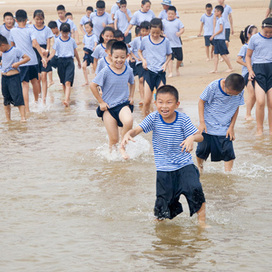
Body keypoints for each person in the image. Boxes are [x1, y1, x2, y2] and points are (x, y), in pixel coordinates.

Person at [121, 85, 207, 227]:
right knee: (163, 204)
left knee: (196, 190)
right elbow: (136, 130)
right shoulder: (154, 118)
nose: (164, 106)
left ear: (177, 104)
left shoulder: (182, 119)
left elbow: (200, 137)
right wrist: (127, 134)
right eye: (160, 102)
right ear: (155, 103)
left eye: (169, 102)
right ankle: (159, 226)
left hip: (185, 165)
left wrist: (191, 138)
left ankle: (202, 224)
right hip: (164, 169)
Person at [90, 41, 135, 159]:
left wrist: (131, 96)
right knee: (113, 139)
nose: (119, 60)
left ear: (127, 56)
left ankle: (123, 146)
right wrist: (101, 102)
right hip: (108, 109)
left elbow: (132, 83)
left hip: (123, 104)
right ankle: (112, 159)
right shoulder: (106, 71)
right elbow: (93, 85)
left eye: (122, 57)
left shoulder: (128, 70)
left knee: (129, 120)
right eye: (116, 57)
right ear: (110, 56)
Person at [196, 73, 245, 172]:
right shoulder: (213, 87)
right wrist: (202, 123)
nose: (231, 95)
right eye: (230, 93)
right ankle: (200, 169)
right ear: (224, 83)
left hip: (225, 128)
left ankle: (228, 174)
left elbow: (236, 107)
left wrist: (231, 127)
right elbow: (201, 101)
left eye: (234, 94)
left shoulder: (239, 91)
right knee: (201, 151)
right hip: (208, 126)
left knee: (228, 154)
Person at [10, 9, 46, 114]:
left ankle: (27, 109)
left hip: (22, 61)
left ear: (15, 20)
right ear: (26, 19)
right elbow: (35, 43)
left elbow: (12, 46)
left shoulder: (13, 31)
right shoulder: (30, 30)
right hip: (33, 60)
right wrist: (42, 56)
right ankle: (36, 104)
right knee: (35, 81)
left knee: (24, 84)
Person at [138, 18, 172, 116]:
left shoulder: (165, 41)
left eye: (157, 33)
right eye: (153, 33)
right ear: (149, 30)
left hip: (160, 73)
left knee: (161, 99)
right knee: (147, 101)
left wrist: (165, 64)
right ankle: (145, 120)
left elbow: (169, 55)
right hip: (148, 72)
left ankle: (160, 120)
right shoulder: (145, 40)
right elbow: (139, 51)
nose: (155, 35)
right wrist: (143, 60)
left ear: (161, 31)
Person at [246, 18, 272, 136]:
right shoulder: (255, 38)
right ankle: (259, 130)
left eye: (271, 32)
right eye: (266, 32)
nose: (268, 34)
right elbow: (248, 56)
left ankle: (271, 130)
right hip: (259, 70)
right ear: (262, 28)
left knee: (271, 103)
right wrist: (250, 71)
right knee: (260, 102)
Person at [47, 23, 81, 107]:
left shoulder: (72, 41)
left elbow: (75, 51)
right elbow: (53, 52)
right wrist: (47, 59)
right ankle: (67, 97)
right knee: (63, 82)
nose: (65, 35)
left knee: (68, 82)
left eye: (66, 33)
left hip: (70, 61)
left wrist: (79, 61)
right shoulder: (57, 40)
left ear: (69, 32)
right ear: (60, 31)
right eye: (63, 33)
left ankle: (66, 100)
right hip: (60, 61)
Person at [0, 34, 30, 122]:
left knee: (18, 97)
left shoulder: (15, 50)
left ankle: (23, 118)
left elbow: (27, 58)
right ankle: (8, 119)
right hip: (4, 78)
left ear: (3, 45)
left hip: (14, 77)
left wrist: (18, 64)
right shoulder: (3, 53)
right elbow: (4, 62)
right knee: (6, 99)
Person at [31, 10, 54, 105]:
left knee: (44, 76)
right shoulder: (31, 28)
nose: (39, 21)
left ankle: (44, 99)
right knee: (38, 78)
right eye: (37, 19)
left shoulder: (47, 29)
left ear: (43, 19)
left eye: (40, 19)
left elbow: (48, 42)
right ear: (34, 19)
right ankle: (39, 97)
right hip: (35, 52)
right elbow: (33, 43)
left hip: (45, 52)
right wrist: (41, 49)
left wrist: (47, 51)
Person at [236, 25, 258, 121]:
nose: (257, 35)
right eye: (255, 33)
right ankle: (247, 114)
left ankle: (249, 113)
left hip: (255, 72)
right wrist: (248, 65)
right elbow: (238, 59)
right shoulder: (245, 47)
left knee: (256, 95)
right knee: (252, 94)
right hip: (246, 74)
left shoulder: (256, 47)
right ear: (249, 35)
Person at [129, 21, 150, 106]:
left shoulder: (151, 39)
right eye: (143, 31)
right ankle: (142, 98)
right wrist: (134, 57)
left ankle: (148, 97)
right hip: (139, 62)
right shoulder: (136, 40)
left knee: (148, 80)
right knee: (141, 79)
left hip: (150, 63)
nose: (144, 33)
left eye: (146, 31)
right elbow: (129, 49)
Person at [209, 5, 233, 73]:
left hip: (220, 39)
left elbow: (221, 29)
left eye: (215, 11)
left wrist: (213, 35)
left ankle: (230, 67)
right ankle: (215, 69)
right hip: (217, 39)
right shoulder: (219, 20)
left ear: (219, 12)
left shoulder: (221, 20)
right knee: (215, 54)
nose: (214, 13)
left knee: (223, 54)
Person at [162, 6, 184, 77]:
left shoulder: (178, 21)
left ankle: (177, 69)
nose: (170, 15)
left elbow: (182, 29)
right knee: (170, 58)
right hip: (168, 44)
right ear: (167, 13)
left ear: (175, 14)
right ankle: (170, 72)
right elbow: (160, 30)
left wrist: (180, 33)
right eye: (169, 13)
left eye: (172, 14)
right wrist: (163, 34)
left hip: (177, 44)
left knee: (180, 58)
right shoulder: (163, 21)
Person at [82, 21, 98, 86]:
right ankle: (86, 81)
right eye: (85, 28)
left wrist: (95, 47)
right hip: (86, 53)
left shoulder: (94, 36)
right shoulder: (85, 36)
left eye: (88, 28)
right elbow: (84, 43)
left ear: (91, 28)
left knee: (95, 67)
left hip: (92, 53)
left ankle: (96, 80)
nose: (86, 29)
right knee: (83, 66)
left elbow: (95, 42)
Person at [48, 21, 61, 85]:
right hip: (55, 55)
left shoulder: (61, 35)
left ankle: (62, 81)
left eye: (52, 30)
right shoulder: (54, 35)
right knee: (48, 65)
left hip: (60, 55)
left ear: (56, 28)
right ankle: (51, 81)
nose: (51, 32)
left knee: (60, 69)